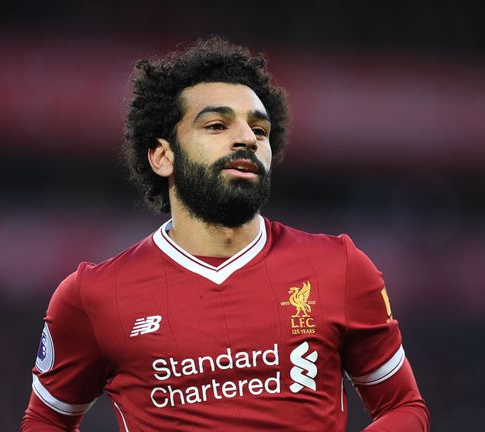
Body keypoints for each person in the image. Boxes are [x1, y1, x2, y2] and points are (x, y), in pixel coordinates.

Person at [22, 36, 429, 431]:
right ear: (163, 156)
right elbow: (46, 420)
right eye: (217, 125)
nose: (247, 139)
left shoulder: (339, 268)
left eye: (260, 130)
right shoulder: (92, 296)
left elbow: (403, 406)